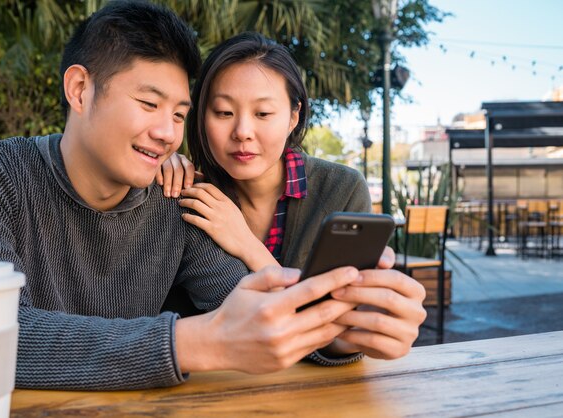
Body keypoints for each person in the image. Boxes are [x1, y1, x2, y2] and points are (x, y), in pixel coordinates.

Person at [0, 1, 420, 391]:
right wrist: (190, 344)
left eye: (178, 113)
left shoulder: (175, 199)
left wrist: (343, 331)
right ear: (80, 90)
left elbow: (254, 315)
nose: (167, 133)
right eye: (149, 104)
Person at [162, 32, 426, 358]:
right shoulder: (188, 192)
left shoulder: (341, 190)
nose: (242, 131)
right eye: (224, 113)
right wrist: (159, 157)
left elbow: (341, 323)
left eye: (263, 114)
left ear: (293, 116)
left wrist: (245, 243)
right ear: (201, 116)